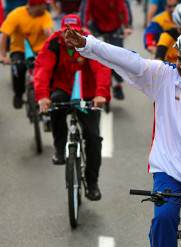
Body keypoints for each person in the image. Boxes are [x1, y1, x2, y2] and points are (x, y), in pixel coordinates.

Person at [65, 28, 181, 246]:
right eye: (180, 59)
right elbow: (126, 60)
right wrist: (87, 44)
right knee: (164, 219)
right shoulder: (164, 76)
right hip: (168, 167)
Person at [34, 14, 111, 201]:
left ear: (80, 30)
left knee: (93, 138)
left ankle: (92, 184)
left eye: (74, 32)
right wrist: (42, 96)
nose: (70, 37)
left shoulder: (89, 43)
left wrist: (101, 94)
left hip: (89, 93)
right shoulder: (53, 43)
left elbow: (101, 68)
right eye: (66, 33)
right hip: (63, 89)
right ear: (61, 32)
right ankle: (60, 149)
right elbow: (42, 69)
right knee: (56, 107)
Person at [0, 0, 53, 109]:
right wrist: (3, 55)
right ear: (34, 6)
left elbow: (49, 32)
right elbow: (5, 34)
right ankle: (18, 94)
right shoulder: (16, 14)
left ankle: (48, 95)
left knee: (49, 69)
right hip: (19, 49)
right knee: (18, 69)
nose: (45, 8)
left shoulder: (45, 15)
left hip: (40, 50)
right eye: (43, 5)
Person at [82, 0, 132, 100]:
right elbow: (86, 11)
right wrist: (84, 27)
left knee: (117, 57)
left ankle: (118, 84)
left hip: (115, 28)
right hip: (97, 27)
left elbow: (123, 10)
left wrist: (126, 26)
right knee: (94, 55)